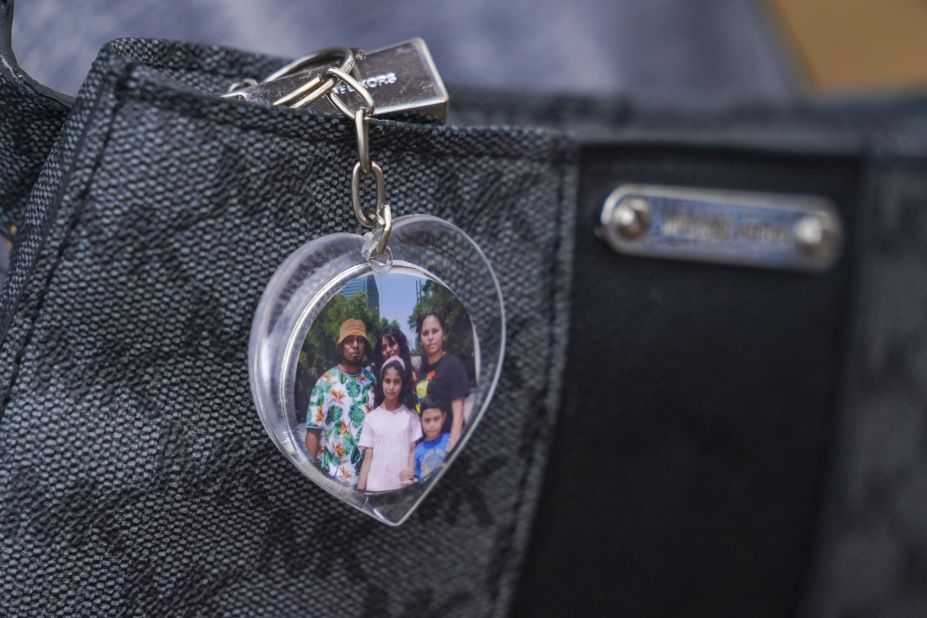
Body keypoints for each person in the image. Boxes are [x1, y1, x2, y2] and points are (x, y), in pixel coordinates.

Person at [305, 319, 377, 487]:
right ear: (341, 346)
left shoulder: (372, 381)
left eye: (360, 340)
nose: (355, 345)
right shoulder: (325, 383)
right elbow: (312, 434)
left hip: (367, 482)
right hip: (332, 481)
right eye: (349, 340)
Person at [357, 356, 422, 492]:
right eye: (387, 381)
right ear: (381, 382)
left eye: (396, 382)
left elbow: (413, 451)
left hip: (401, 490)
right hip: (375, 489)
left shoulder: (411, 416)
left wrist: (409, 476)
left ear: (402, 384)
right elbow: (367, 459)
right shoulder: (371, 418)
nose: (391, 387)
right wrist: (360, 492)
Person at [415, 312, 469, 451]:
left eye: (435, 331)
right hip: (427, 447)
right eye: (425, 333)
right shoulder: (422, 369)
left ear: (443, 334)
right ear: (420, 340)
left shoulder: (452, 365)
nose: (430, 337)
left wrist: (453, 443)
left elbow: (459, 412)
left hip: (447, 444)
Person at [409, 396, 452, 482]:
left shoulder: (451, 439)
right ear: (420, 420)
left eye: (436, 419)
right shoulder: (417, 451)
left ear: (443, 417)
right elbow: (414, 479)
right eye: (427, 420)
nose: (432, 425)